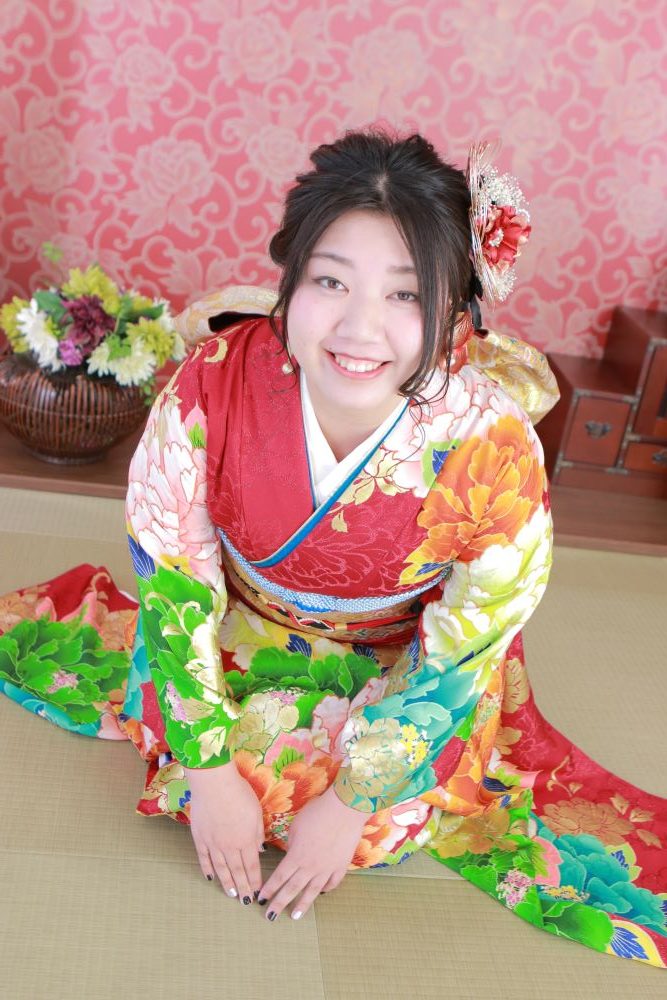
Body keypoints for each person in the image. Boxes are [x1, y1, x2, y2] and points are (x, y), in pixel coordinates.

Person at [1, 128, 665, 967]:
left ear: (454, 312)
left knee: (366, 822)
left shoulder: (489, 442)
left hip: (398, 656)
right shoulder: (214, 378)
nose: (359, 328)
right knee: (222, 780)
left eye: (405, 294)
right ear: (290, 279)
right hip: (241, 620)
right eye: (330, 281)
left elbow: (470, 639)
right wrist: (207, 770)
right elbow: (173, 573)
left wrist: (353, 801)